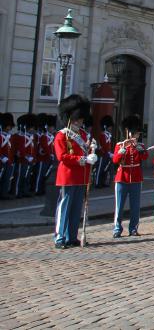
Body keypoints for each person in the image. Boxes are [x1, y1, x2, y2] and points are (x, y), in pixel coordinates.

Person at [53, 95, 98, 248]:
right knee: (64, 208)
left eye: (81, 119)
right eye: (78, 119)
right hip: (67, 176)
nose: (80, 121)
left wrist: (92, 151)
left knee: (76, 209)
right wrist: (83, 159)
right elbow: (62, 156)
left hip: (81, 177)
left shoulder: (83, 135)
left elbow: (86, 152)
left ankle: (72, 236)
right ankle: (60, 238)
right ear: (70, 118)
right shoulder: (62, 135)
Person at [112, 114, 147, 238]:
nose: (137, 136)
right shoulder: (119, 145)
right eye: (135, 134)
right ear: (129, 133)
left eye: (138, 134)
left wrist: (139, 149)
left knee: (135, 206)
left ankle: (133, 228)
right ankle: (117, 229)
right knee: (119, 206)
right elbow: (115, 160)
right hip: (122, 178)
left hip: (136, 178)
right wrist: (123, 149)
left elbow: (145, 157)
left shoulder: (140, 146)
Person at [35, 113, 56, 196]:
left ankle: (44, 189)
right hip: (43, 159)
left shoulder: (53, 136)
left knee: (47, 175)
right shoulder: (44, 137)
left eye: (53, 127)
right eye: (51, 127)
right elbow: (44, 147)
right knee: (40, 175)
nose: (52, 129)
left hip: (50, 159)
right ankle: (37, 189)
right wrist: (50, 154)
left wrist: (53, 154)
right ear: (47, 127)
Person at [94, 115, 114, 188]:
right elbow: (102, 145)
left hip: (107, 154)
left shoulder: (108, 135)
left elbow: (108, 145)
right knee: (100, 169)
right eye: (109, 127)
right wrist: (107, 152)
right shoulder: (103, 135)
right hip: (102, 154)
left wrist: (110, 153)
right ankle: (97, 183)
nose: (110, 128)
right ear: (106, 126)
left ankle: (103, 182)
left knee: (105, 169)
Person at [0, 112, 14, 199]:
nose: (9, 127)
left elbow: (11, 150)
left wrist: (10, 159)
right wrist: (2, 157)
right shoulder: (1, 136)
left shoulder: (9, 136)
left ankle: (4, 194)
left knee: (7, 178)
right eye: (7, 125)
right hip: (1, 161)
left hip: (8, 161)